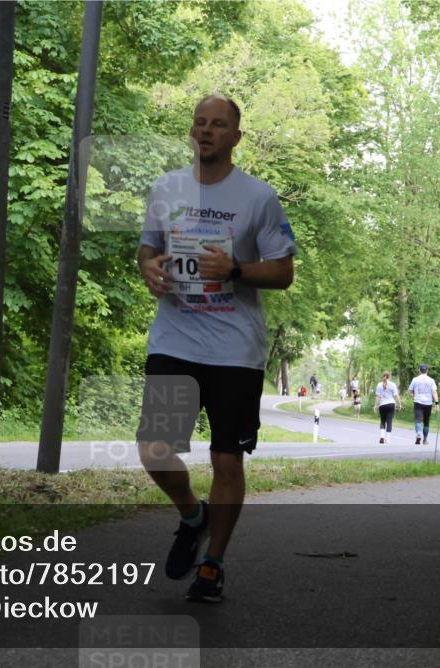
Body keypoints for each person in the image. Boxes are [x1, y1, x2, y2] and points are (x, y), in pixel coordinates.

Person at [136, 95, 296, 603]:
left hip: (234, 350)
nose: (206, 131)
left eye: (218, 125)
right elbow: (147, 247)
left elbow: (283, 271)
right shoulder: (167, 188)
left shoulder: (259, 198)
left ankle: (212, 564)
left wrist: (234, 269)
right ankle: (192, 514)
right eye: (200, 123)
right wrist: (148, 267)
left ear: (235, 137)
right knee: (154, 449)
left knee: (227, 463)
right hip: (175, 339)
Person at [408, 364, 439, 445]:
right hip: (428, 403)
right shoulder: (431, 380)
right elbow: (434, 392)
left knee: (418, 420)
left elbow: (410, 391)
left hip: (418, 402)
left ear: (419, 370)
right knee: (426, 422)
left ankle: (418, 433)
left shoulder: (415, 379)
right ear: (427, 371)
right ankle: (425, 440)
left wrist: (413, 395)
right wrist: (436, 403)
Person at [374, 371, 401, 444]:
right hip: (391, 404)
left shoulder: (379, 385)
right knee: (389, 422)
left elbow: (378, 396)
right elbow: (396, 395)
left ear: (383, 376)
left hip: (382, 405)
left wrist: (376, 405)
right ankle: (388, 439)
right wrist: (399, 404)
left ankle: (382, 436)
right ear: (389, 377)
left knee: (382, 421)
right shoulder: (392, 384)